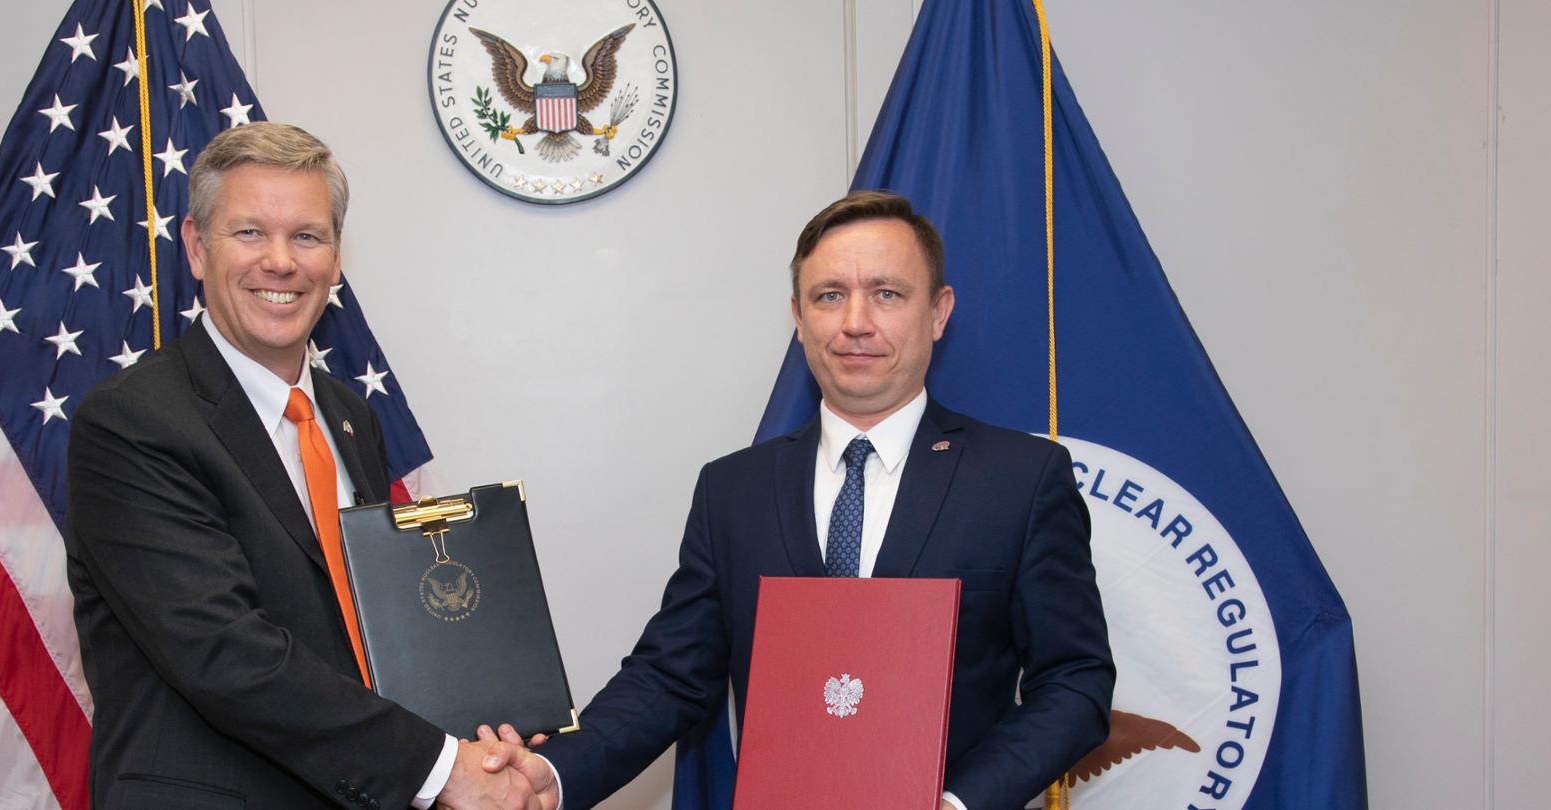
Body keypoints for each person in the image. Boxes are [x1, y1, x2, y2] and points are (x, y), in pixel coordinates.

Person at [488, 190, 1114, 810]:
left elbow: (1074, 681)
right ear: (798, 315)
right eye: (829, 296)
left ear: (939, 312)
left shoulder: (1021, 479)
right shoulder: (732, 489)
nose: (855, 323)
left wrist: (955, 805)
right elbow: (670, 674)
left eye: (887, 294)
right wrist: (553, 771)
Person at [65, 122, 554, 810]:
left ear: (335, 254)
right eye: (249, 234)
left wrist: (485, 739)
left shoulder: (350, 417)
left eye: (306, 236)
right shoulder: (134, 422)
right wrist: (447, 770)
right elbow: (224, 654)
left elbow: (378, 627)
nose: (281, 262)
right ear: (197, 248)